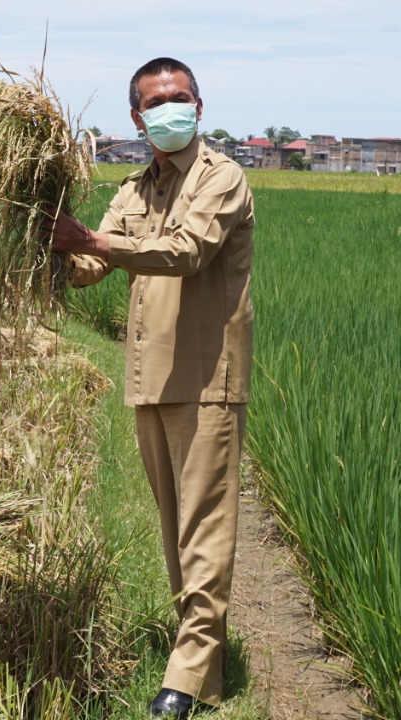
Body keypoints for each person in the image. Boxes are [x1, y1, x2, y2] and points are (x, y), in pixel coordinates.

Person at [46, 57, 254, 718]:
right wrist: (44, 237)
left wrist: (96, 241)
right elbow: (89, 265)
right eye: (156, 101)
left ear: (199, 105)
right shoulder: (137, 188)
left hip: (204, 377)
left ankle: (187, 680)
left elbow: (187, 252)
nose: (171, 109)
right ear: (136, 116)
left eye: (181, 97)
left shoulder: (221, 178)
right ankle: (206, 672)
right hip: (150, 378)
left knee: (204, 533)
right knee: (175, 530)